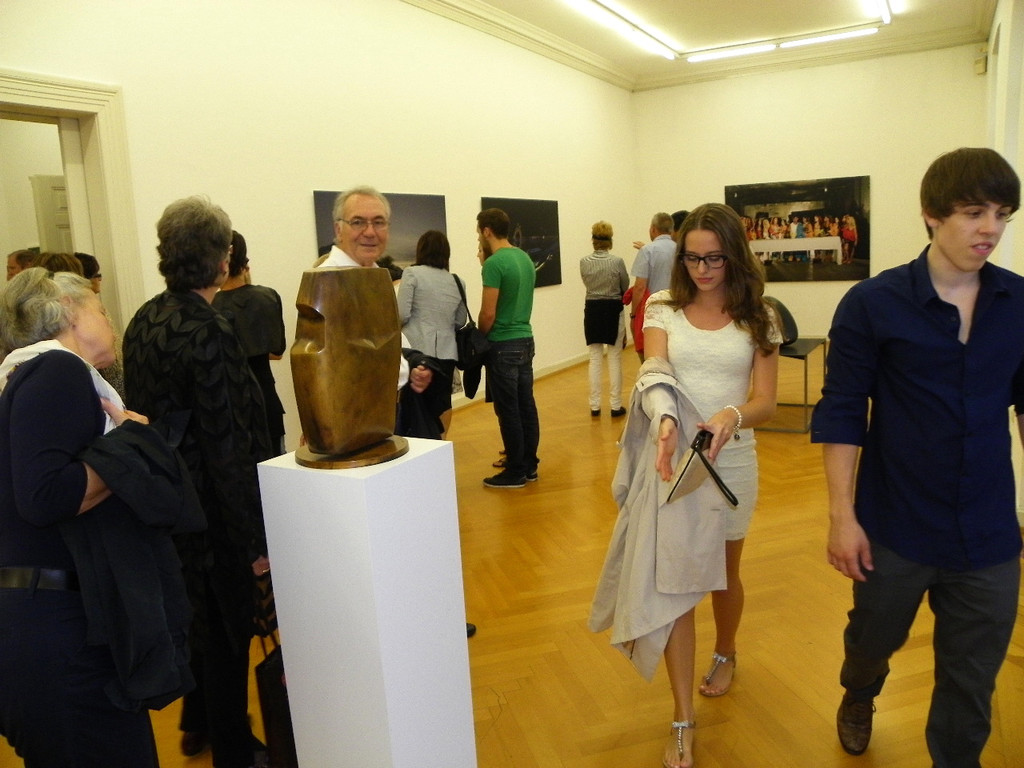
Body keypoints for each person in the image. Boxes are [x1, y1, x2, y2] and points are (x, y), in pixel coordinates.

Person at [811, 147, 1023, 767]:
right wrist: (842, 517)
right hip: (896, 523)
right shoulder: (873, 304)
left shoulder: (1019, 304)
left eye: (1002, 215)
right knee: (872, 640)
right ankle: (859, 691)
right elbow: (842, 411)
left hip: (987, 530)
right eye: (974, 213)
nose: (990, 229)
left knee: (971, 677)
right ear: (932, 214)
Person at [590, 203, 780, 768]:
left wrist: (730, 417)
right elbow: (655, 371)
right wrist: (666, 418)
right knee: (676, 588)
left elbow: (766, 401)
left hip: (732, 464)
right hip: (673, 462)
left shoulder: (760, 316)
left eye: (714, 258)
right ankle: (681, 718)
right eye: (693, 258)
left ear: (735, 256)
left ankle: (726, 650)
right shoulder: (663, 308)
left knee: (724, 575)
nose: (702, 269)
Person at [0, 268, 198, 767]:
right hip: (60, 633)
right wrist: (132, 444)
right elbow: (46, 497)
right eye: (102, 309)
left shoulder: (23, 377)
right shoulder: (58, 369)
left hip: (41, 623)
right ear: (67, 311)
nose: (111, 321)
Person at [122, 196, 273, 768]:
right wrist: (254, 541)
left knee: (196, 620)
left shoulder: (143, 319)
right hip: (211, 511)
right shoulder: (212, 329)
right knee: (229, 629)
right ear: (222, 258)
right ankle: (235, 747)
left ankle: (198, 722)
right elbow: (227, 446)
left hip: (166, 504)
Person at [477, 207, 540, 489]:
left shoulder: (494, 264)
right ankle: (529, 465)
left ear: (486, 231)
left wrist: (480, 338)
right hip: (526, 339)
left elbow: (488, 313)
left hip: (503, 344)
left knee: (508, 410)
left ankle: (514, 471)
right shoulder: (524, 258)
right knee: (526, 405)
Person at [213, 230, 288, 455]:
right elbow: (278, 350)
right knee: (274, 467)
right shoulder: (267, 297)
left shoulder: (209, 306)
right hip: (266, 398)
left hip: (227, 406)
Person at [397, 229, 468, 438]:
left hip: (416, 352)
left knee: (415, 408)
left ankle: (421, 448)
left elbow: (401, 314)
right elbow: (460, 321)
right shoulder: (457, 281)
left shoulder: (412, 274)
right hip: (447, 355)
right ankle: (441, 443)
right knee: (441, 405)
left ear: (421, 250)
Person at [579, 220, 629, 417]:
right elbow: (625, 285)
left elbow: (586, 283)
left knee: (595, 358)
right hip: (613, 309)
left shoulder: (584, 262)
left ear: (593, 240)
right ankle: (615, 405)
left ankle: (595, 406)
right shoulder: (617, 262)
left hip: (592, 309)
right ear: (610, 240)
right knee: (614, 358)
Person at [629, 212, 676, 362]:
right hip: (678, 310)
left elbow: (639, 287)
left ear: (653, 229)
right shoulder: (681, 249)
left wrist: (633, 315)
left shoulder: (647, 251)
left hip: (654, 312)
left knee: (652, 358)